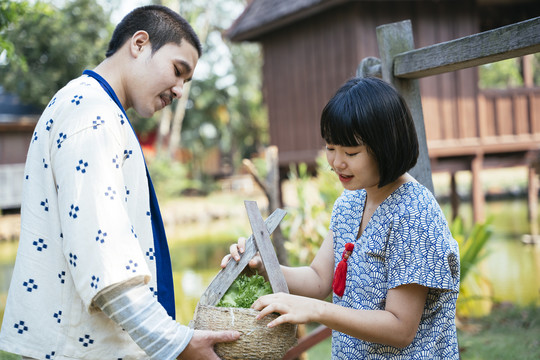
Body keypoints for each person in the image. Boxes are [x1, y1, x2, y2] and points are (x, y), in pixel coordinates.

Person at [0, 5, 239, 360]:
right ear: (139, 43)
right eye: (178, 71)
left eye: (185, 82)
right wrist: (176, 343)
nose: (178, 91)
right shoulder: (92, 115)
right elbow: (105, 261)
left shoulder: (95, 108)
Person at [222, 77, 460, 359]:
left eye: (351, 152)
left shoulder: (414, 214)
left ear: (387, 147)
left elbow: (401, 328)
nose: (336, 162)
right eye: (331, 148)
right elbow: (320, 279)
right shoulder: (350, 202)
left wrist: (316, 310)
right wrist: (261, 266)